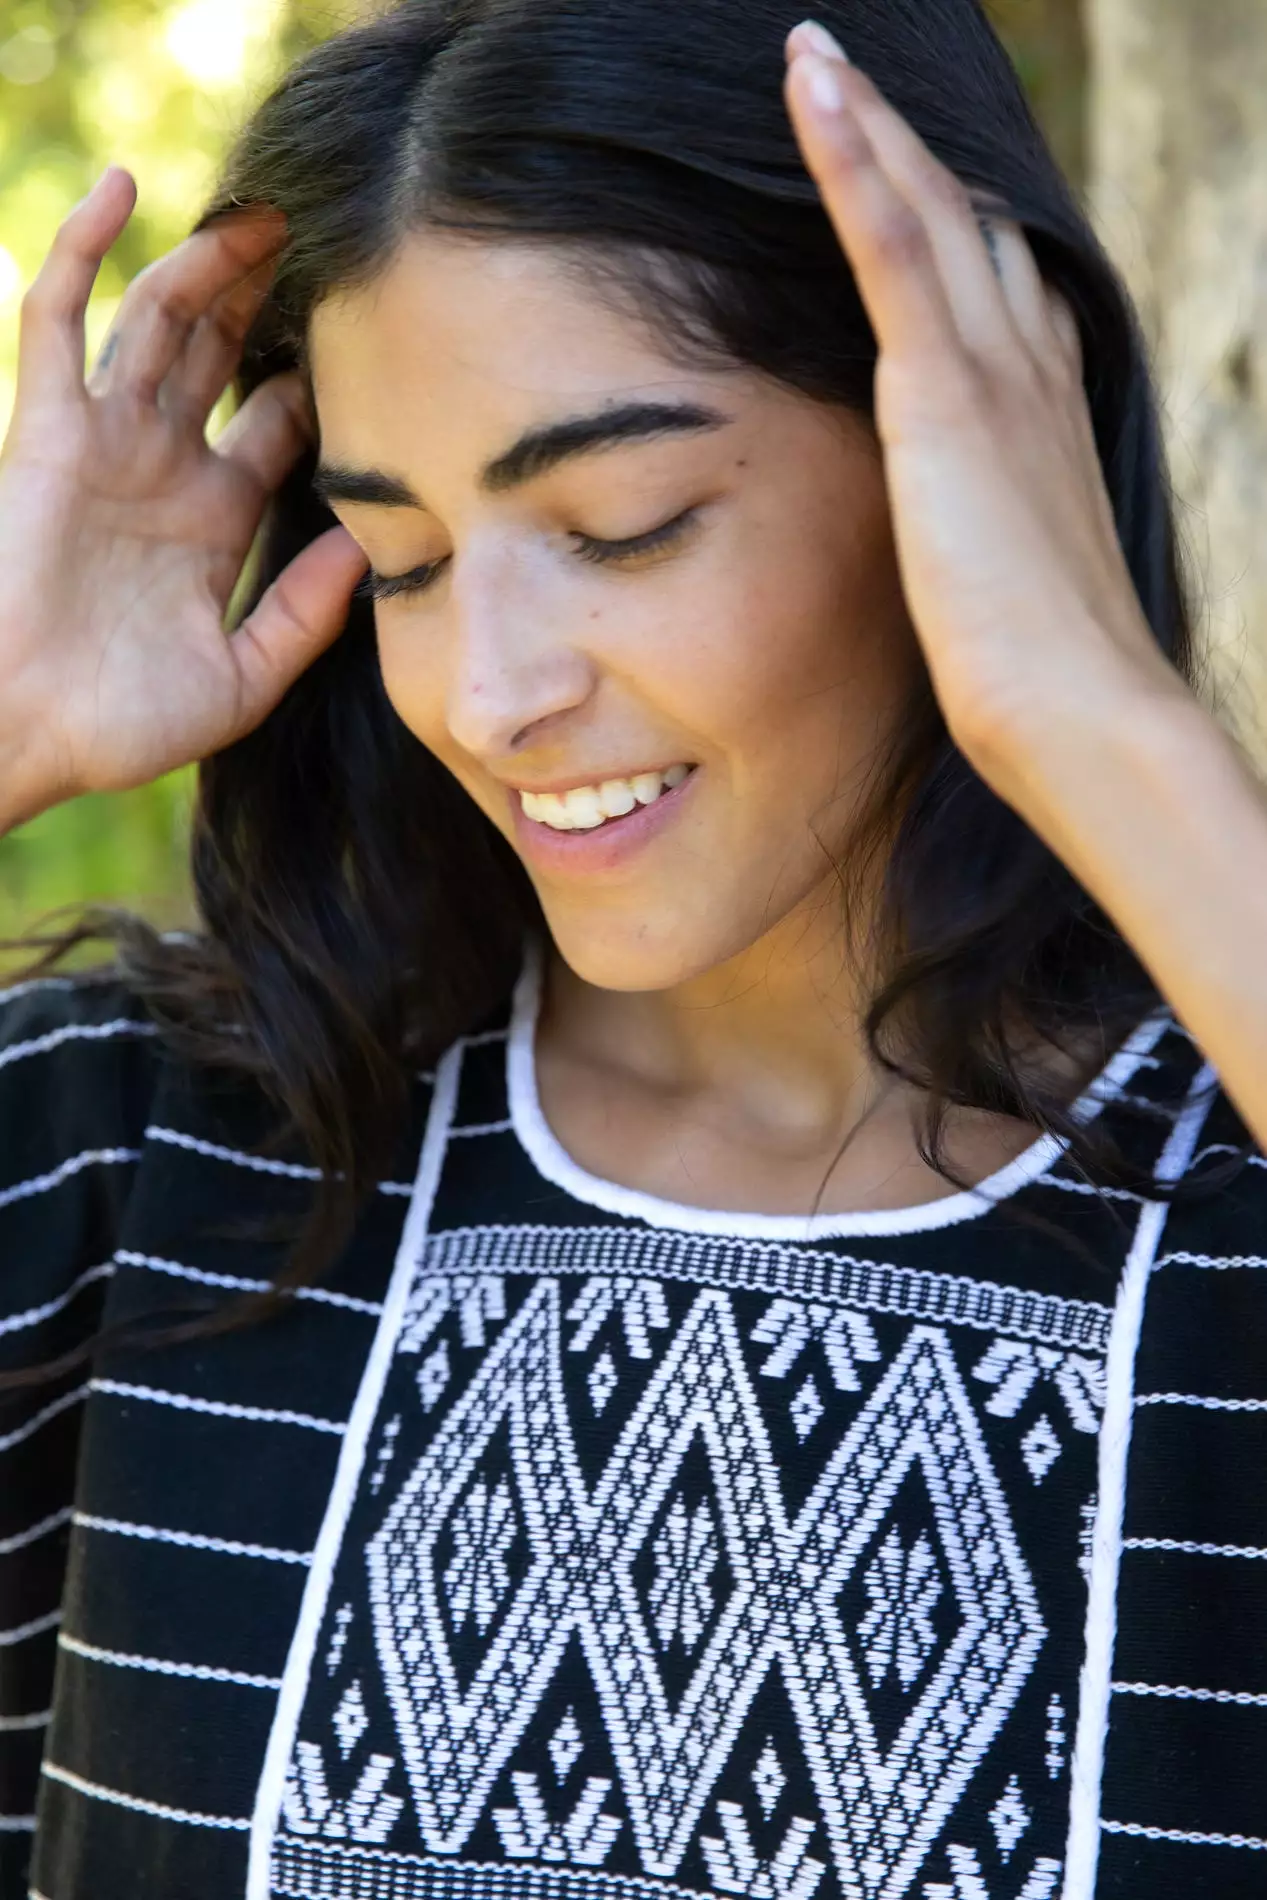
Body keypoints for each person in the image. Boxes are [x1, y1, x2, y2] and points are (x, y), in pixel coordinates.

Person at [0, 2, 1264, 1896]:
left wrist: (1094, 711)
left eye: (622, 523)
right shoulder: (144, 1153)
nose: (489, 694)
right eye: (403, 563)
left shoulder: (1227, 1209)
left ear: (966, 447)